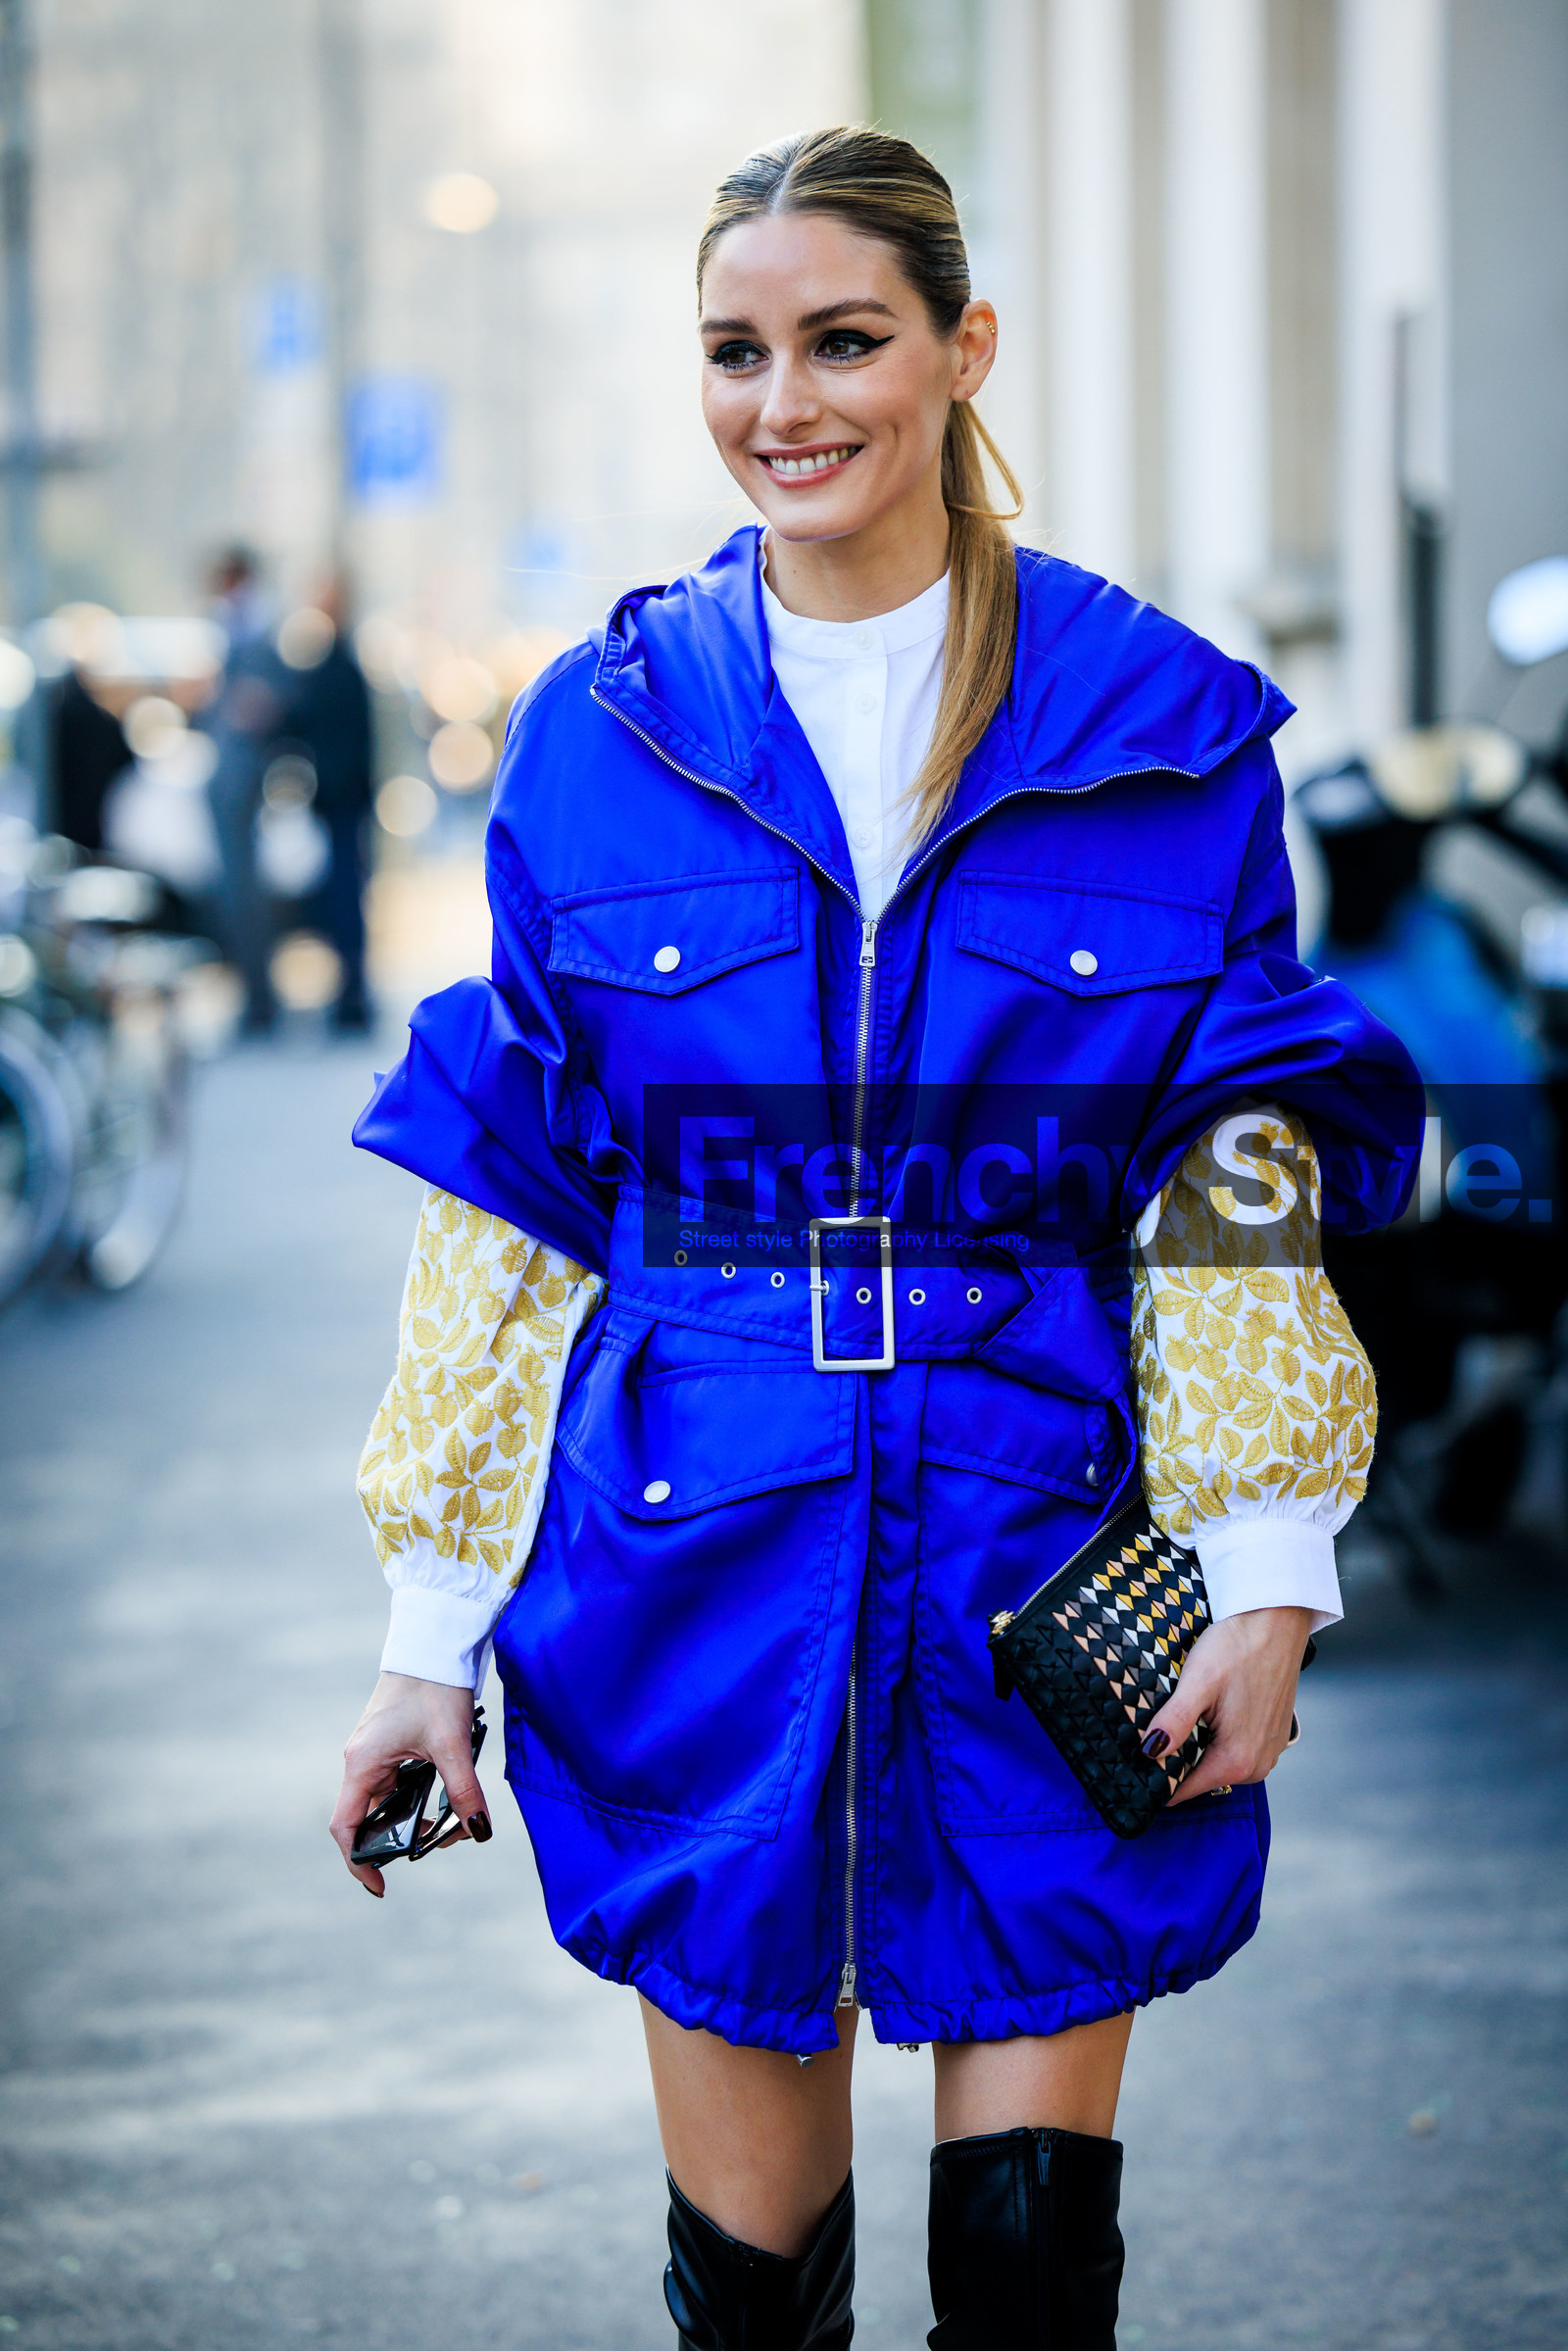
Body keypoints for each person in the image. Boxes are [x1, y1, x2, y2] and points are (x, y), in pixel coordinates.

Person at [330, 128, 1422, 2348]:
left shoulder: (1155, 728)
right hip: (687, 1568)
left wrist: (1270, 1562)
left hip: (1037, 1565)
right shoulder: (598, 736)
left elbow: (1227, 1179)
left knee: (1028, 2279)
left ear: (957, 347)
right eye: (733, 352)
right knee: (754, 2298)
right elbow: (515, 1211)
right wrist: (425, 1630)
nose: (782, 402)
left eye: (841, 339)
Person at [276, 574, 375, 1032]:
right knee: (345, 899)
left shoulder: (337, 666)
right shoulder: (342, 662)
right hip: (345, 800)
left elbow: (310, 718)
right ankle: (351, 995)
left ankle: (352, 997)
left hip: (341, 801)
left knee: (343, 900)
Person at [202, 545, 285, 1034]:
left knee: (242, 893)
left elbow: (260, 704)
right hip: (236, 778)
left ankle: (259, 1001)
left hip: (238, 780)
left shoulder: (250, 632)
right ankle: (257, 998)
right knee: (239, 893)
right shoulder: (246, 630)